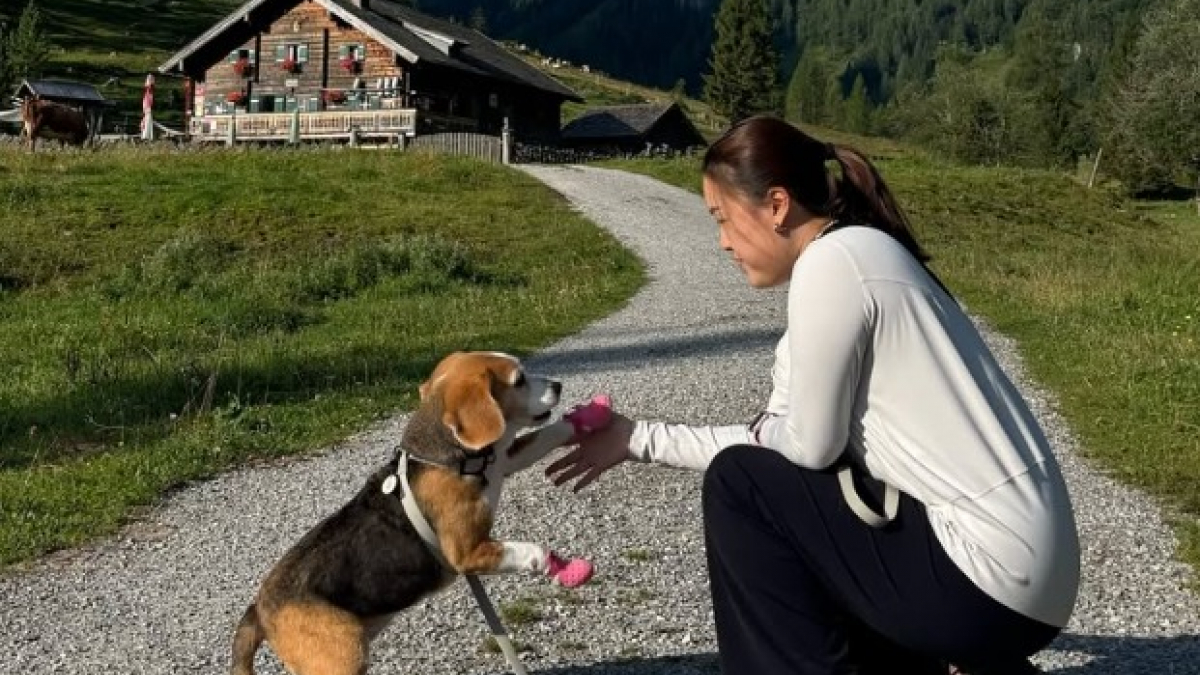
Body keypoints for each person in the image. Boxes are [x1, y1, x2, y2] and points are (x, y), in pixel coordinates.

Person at [545, 115, 1080, 675]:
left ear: (777, 205)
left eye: (723, 218)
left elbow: (807, 448)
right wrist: (638, 439)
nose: (722, 242)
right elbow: (787, 440)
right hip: (1030, 583)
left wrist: (756, 435)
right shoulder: (862, 256)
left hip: (990, 581)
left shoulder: (835, 263)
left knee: (741, 485)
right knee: (786, 489)